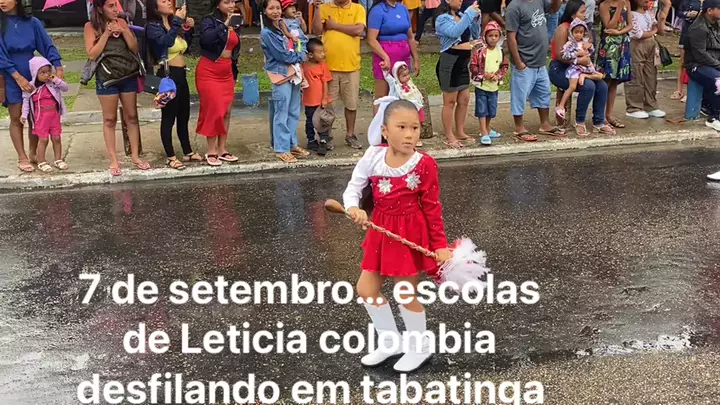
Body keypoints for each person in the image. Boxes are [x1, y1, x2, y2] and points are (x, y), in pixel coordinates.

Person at [342, 98, 451, 373]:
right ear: (385, 130)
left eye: (415, 127)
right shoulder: (373, 156)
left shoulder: (424, 164)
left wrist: (440, 245)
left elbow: (432, 207)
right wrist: (353, 207)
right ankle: (390, 342)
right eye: (401, 127)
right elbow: (354, 187)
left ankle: (419, 347)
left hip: (410, 233)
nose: (409, 134)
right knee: (366, 289)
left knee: (404, 293)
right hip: (381, 230)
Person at [84, 0, 149, 176]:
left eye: (116, 5)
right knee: (109, 119)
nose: (116, 9)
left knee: (132, 116)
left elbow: (134, 48)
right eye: (111, 6)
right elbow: (92, 54)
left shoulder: (122, 22)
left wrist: (124, 31)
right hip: (107, 78)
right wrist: (106, 34)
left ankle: (135, 156)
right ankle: (113, 159)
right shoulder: (90, 26)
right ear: (100, 8)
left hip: (127, 74)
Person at [0, 0, 64, 173]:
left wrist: (57, 66)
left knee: (36, 117)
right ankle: (22, 157)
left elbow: (47, 45)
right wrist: (17, 77)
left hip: (33, 73)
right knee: (17, 117)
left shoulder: (32, 22)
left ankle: (33, 153)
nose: (2, 1)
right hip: (10, 74)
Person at [146, 0, 202, 170]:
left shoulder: (172, 24)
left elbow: (184, 47)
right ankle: (170, 156)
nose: (168, 2)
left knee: (183, 114)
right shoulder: (153, 27)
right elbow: (166, 42)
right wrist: (177, 21)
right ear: (155, 7)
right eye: (163, 1)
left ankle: (187, 151)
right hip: (168, 76)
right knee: (169, 117)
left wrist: (188, 29)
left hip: (181, 73)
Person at [549, 0, 613, 135]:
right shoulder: (563, 28)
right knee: (588, 86)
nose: (585, 14)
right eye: (582, 12)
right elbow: (560, 55)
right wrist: (578, 60)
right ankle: (580, 121)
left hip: (581, 68)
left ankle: (599, 122)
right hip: (561, 68)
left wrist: (588, 47)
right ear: (573, 14)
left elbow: (588, 48)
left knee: (602, 86)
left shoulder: (583, 29)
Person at [505, 0, 565, 142]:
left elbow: (553, 9)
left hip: (540, 61)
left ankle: (545, 124)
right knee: (519, 95)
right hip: (524, 60)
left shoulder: (540, 1)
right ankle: (519, 127)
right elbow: (511, 37)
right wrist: (518, 62)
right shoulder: (514, 7)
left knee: (544, 92)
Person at [313, 0, 367, 149]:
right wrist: (317, 9)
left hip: (351, 66)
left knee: (351, 104)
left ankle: (350, 134)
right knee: (328, 106)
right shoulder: (324, 8)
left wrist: (334, 26)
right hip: (328, 67)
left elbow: (358, 30)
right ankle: (327, 136)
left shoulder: (358, 8)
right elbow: (317, 31)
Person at [262, 0, 310, 163]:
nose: (275, 11)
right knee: (281, 112)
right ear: (265, 11)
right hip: (281, 74)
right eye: (271, 8)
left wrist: (300, 51)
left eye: (277, 8)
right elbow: (281, 55)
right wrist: (301, 55)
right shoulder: (267, 33)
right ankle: (281, 148)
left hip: (295, 73)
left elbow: (301, 41)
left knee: (293, 111)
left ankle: (291, 144)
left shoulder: (285, 27)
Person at [196, 0, 242, 166]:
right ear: (217, 4)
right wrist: (225, 25)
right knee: (214, 110)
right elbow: (206, 40)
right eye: (226, 2)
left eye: (233, 1)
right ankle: (211, 150)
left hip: (227, 70)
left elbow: (234, 47)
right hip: (209, 70)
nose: (231, 5)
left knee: (226, 111)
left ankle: (222, 149)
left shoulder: (236, 21)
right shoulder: (209, 20)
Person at [434, 0, 481, 149]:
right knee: (450, 101)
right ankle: (449, 135)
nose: (461, 1)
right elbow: (454, 32)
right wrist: (469, 14)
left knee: (464, 99)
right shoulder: (442, 19)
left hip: (462, 63)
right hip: (450, 63)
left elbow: (475, 34)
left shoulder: (462, 15)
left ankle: (460, 131)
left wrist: (476, 19)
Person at [366, 0, 419, 114]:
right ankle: (380, 123)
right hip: (384, 57)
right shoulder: (377, 10)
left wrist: (415, 59)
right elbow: (371, 39)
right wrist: (385, 57)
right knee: (382, 95)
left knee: (403, 92)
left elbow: (410, 37)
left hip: (403, 58)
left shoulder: (403, 8)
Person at [21, 56, 68, 173]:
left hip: (54, 116)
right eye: (42, 72)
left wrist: (56, 80)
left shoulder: (53, 84)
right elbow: (26, 101)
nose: (46, 75)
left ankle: (58, 159)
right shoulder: (31, 87)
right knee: (43, 139)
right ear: (35, 73)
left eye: (48, 71)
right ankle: (41, 161)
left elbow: (65, 88)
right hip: (40, 117)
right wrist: (24, 114)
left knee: (56, 138)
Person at [555, 18, 604, 119]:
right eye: (576, 32)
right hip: (575, 68)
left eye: (581, 32)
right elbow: (564, 55)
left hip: (586, 68)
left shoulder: (584, 43)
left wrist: (589, 46)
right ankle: (561, 106)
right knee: (572, 87)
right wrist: (576, 54)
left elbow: (591, 51)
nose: (578, 35)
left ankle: (584, 76)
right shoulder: (569, 44)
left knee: (600, 76)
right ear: (572, 32)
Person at [469, 20, 508, 146]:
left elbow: (504, 66)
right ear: (485, 36)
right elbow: (473, 66)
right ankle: (484, 132)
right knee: (482, 110)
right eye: (490, 35)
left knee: (491, 110)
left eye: (496, 36)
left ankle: (487, 128)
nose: (493, 38)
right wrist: (484, 75)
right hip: (482, 86)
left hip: (494, 86)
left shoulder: (500, 51)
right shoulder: (480, 52)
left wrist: (498, 75)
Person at [625, 0, 665, 118]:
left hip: (651, 45)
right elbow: (638, 34)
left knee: (651, 75)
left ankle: (651, 105)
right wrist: (653, 31)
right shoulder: (631, 14)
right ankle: (633, 107)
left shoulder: (649, 12)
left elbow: (657, 27)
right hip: (636, 45)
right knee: (636, 75)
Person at [597, 0, 633, 129]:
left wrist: (620, 32)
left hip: (622, 43)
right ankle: (600, 115)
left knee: (614, 82)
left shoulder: (626, 2)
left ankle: (609, 114)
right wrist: (618, 8)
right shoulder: (604, 5)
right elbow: (609, 25)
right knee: (605, 81)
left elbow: (630, 25)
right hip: (609, 45)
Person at [685, 0, 720, 131]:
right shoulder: (699, 28)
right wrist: (718, 64)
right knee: (719, 81)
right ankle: (714, 117)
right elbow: (700, 55)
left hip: (712, 64)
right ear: (710, 10)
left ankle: (707, 105)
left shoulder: (716, 24)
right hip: (697, 66)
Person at [302, 37, 333, 155]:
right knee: (310, 121)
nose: (323, 54)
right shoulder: (303, 66)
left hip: (320, 101)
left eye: (323, 51)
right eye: (319, 52)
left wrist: (325, 98)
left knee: (323, 121)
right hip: (309, 101)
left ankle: (323, 141)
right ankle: (311, 140)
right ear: (310, 55)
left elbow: (325, 83)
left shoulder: (323, 66)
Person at [384, 61, 425, 146]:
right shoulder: (395, 84)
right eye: (404, 76)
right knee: (406, 124)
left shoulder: (410, 82)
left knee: (417, 123)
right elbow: (388, 77)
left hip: (416, 106)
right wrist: (385, 70)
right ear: (397, 76)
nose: (407, 77)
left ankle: (416, 138)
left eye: (408, 74)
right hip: (405, 109)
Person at [672, 0, 703, 101]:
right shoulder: (687, 1)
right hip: (686, 33)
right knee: (682, 62)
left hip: (701, 35)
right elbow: (679, 12)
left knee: (696, 63)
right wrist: (688, 14)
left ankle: (691, 92)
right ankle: (679, 90)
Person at [279, 0, 308, 87]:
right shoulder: (283, 21)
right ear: (283, 11)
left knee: (302, 60)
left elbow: (304, 30)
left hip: (301, 42)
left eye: (294, 7)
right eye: (290, 7)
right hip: (292, 43)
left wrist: (301, 19)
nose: (293, 9)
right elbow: (285, 32)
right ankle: (298, 77)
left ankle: (302, 78)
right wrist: (291, 37)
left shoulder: (297, 20)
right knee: (295, 61)